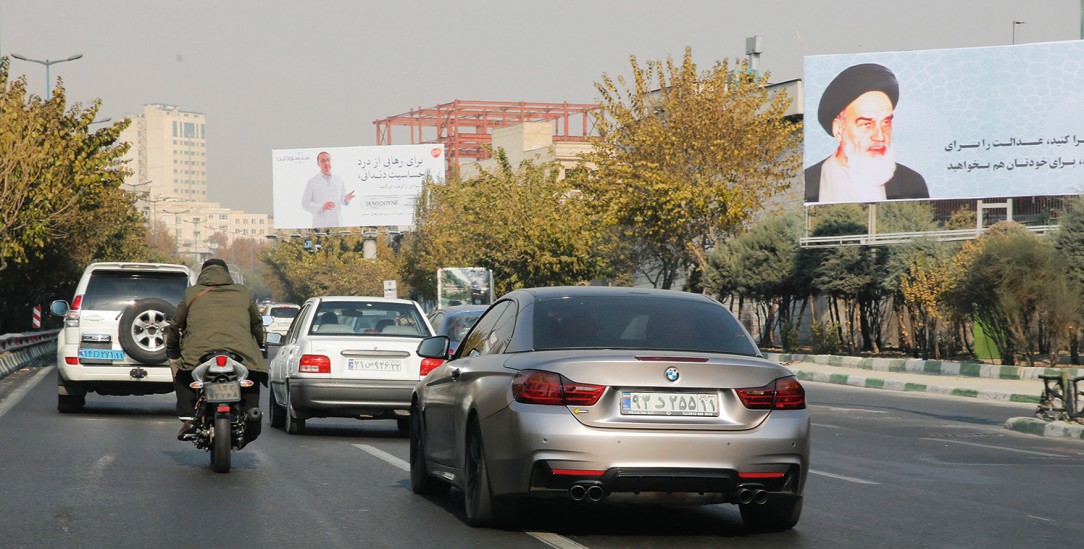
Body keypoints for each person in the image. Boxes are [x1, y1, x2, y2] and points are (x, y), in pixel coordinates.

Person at [165, 258, 267, 443]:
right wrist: (260, 344)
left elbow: (175, 325)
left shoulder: (191, 293)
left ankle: (188, 417)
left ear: (202, 273)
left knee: (181, 374)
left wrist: (172, 348)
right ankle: (251, 411)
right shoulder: (242, 293)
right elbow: (256, 324)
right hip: (241, 354)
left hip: (198, 355)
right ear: (227, 273)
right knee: (253, 373)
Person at [804, 63, 929, 204]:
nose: (880, 137)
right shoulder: (806, 183)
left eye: (886, 123)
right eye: (866, 124)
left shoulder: (911, 184)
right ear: (839, 129)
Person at [301, 151, 355, 228]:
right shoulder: (312, 182)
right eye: (322, 161)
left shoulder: (339, 180)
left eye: (328, 160)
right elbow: (305, 203)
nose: (326, 163)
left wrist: (346, 199)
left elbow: (342, 200)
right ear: (318, 164)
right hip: (320, 225)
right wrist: (321, 207)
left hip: (337, 223)